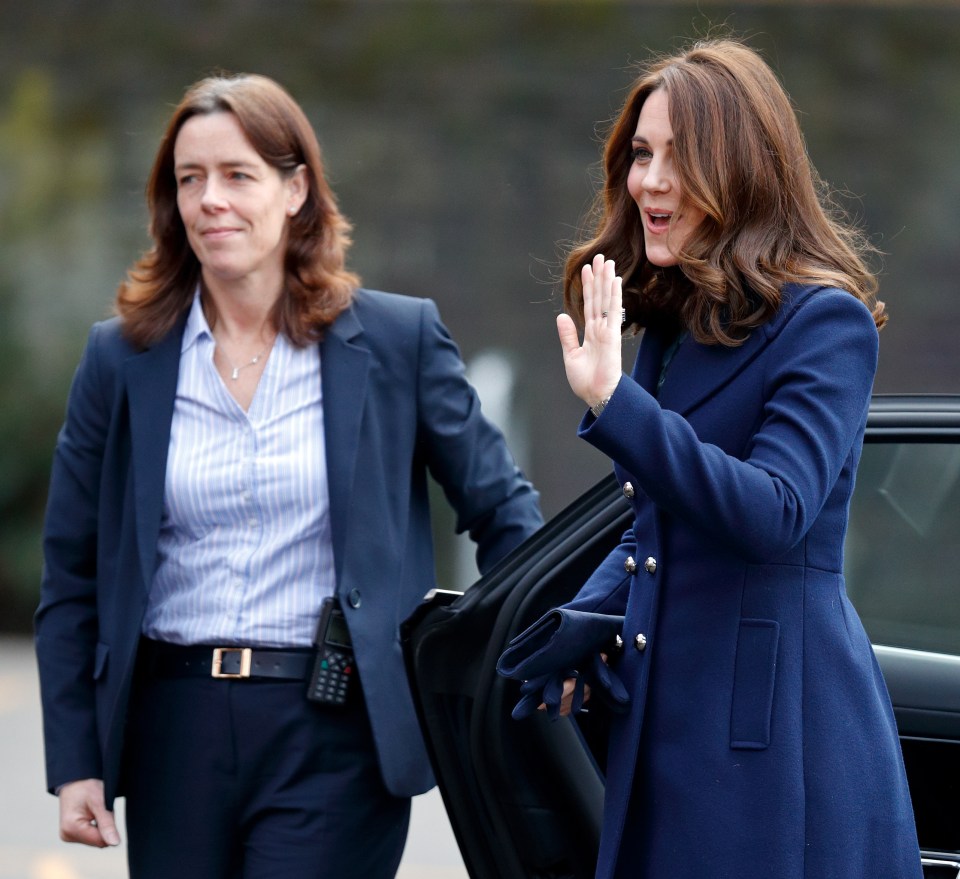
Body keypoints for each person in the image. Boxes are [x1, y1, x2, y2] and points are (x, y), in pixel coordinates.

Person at [34, 73, 542, 879]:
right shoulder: (121, 359)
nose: (210, 200)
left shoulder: (396, 341)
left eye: (238, 174)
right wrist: (76, 758)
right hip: (173, 728)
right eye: (189, 178)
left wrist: (515, 662)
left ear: (296, 188)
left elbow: (506, 514)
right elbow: (69, 571)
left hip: (336, 726)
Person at [522, 38, 923, 878]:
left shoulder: (827, 321)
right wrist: (581, 622)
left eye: (680, 156)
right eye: (641, 154)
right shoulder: (671, 325)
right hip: (670, 719)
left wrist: (614, 404)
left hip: (778, 739)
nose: (650, 181)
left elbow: (773, 511)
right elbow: (657, 526)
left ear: (741, 171)